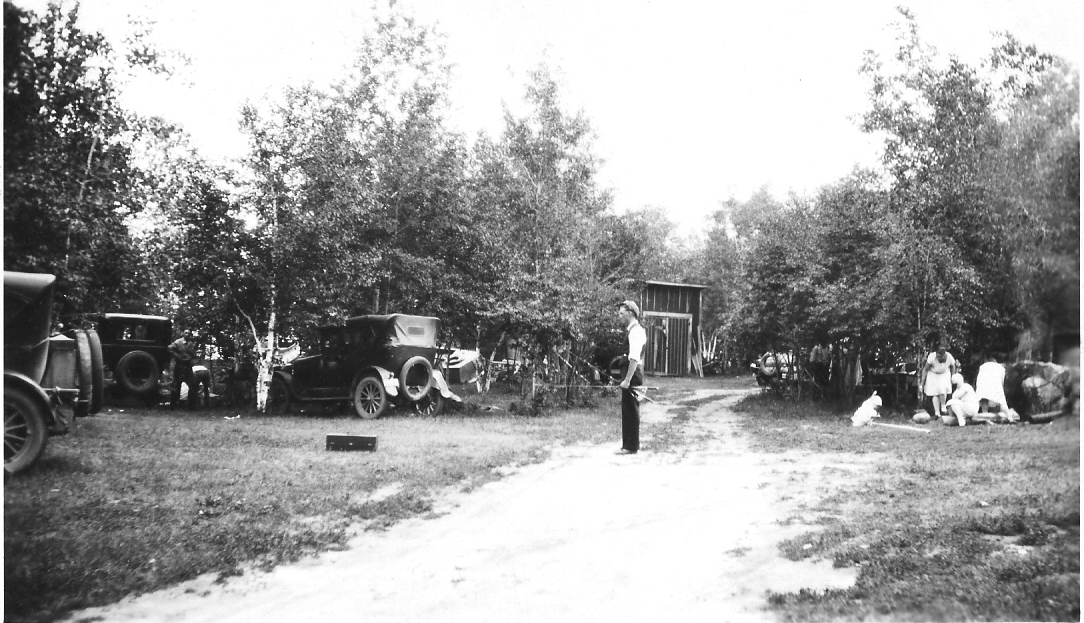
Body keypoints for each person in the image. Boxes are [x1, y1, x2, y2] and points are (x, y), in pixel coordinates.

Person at [616, 300, 646, 455]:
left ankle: (631, 446)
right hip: (630, 375)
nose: (619, 316)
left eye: (621, 313)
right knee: (627, 409)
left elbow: (634, 358)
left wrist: (627, 380)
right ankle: (628, 444)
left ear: (630, 313)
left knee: (631, 410)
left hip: (631, 376)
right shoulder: (632, 330)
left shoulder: (636, 331)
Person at [920, 344, 956, 417]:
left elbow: (953, 367)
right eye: (938, 356)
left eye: (940, 356)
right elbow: (925, 369)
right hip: (933, 373)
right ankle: (937, 413)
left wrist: (953, 377)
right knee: (934, 392)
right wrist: (922, 384)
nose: (938, 357)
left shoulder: (949, 357)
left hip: (944, 373)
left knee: (942, 387)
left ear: (944, 354)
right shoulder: (932, 357)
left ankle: (943, 406)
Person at [169, 330, 197, 409]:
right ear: (183, 334)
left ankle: (190, 406)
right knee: (176, 385)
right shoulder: (178, 342)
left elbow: (193, 353)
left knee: (192, 385)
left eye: (189, 333)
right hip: (180, 365)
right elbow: (169, 348)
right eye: (186, 333)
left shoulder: (191, 344)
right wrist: (177, 356)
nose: (187, 334)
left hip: (188, 366)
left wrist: (191, 356)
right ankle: (173, 405)